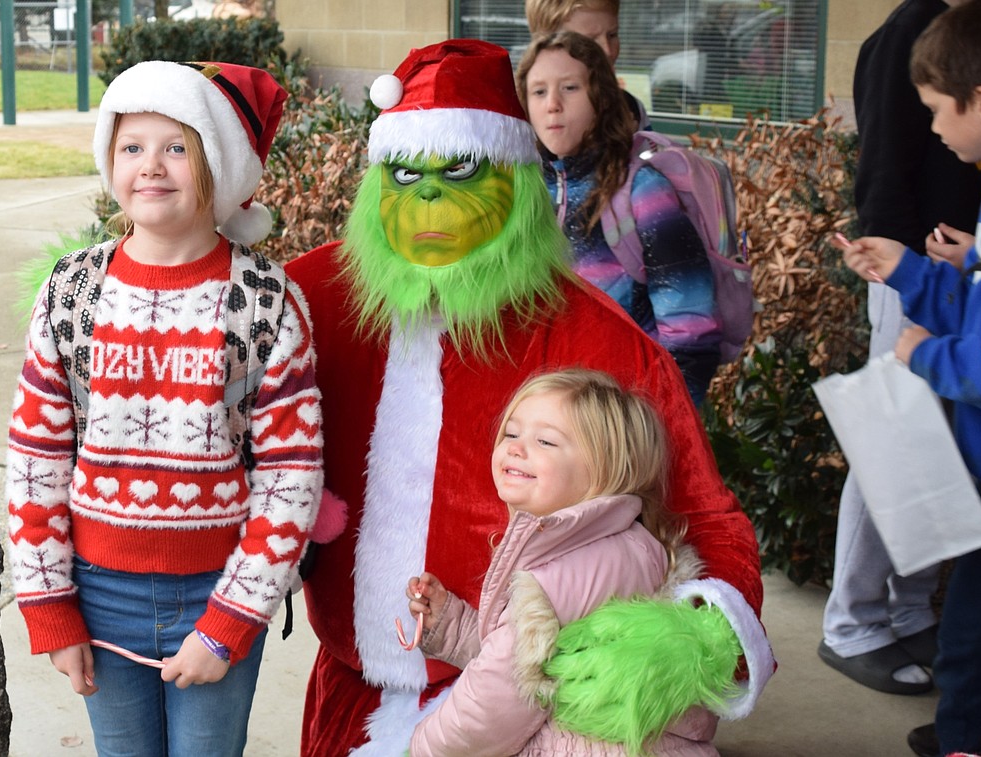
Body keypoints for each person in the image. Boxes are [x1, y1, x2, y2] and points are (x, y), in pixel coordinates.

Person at [286, 38, 772, 756]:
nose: (428, 193)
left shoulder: (596, 335)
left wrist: (689, 639)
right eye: (403, 171)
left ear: (515, 181)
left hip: (530, 717)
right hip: (350, 691)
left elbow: (704, 515)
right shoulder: (312, 296)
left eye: (460, 169)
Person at [4, 60, 323, 756]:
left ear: (217, 165)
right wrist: (50, 605)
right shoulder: (72, 291)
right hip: (97, 596)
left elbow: (290, 475)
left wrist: (232, 619)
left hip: (218, 589)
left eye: (176, 146)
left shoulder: (266, 300)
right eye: (131, 146)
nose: (151, 165)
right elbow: (35, 457)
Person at [405, 368, 735, 756]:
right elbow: (537, 655)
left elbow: (498, 700)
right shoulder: (635, 545)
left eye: (545, 441)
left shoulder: (555, 576)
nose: (515, 447)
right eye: (511, 433)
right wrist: (454, 627)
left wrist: (420, 748)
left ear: (605, 469)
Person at [818, 0, 981, 702]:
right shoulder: (907, 34)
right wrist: (893, 257)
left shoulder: (969, 33)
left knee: (938, 438)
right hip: (910, 271)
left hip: (959, 271)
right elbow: (881, 161)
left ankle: (909, 608)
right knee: (896, 435)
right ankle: (853, 622)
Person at [517, 31, 723, 406]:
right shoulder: (521, 191)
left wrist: (670, 423)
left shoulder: (641, 190)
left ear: (600, 96)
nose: (553, 105)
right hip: (542, 412)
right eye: (539, 92)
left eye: (570, 88)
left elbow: (690, 328)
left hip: (623, 417)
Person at [524, 0, 651, 129]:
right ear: (548, 45)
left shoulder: (631, 108)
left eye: (612, 35)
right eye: (589, 41)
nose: (608, 50)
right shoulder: (519, 119)